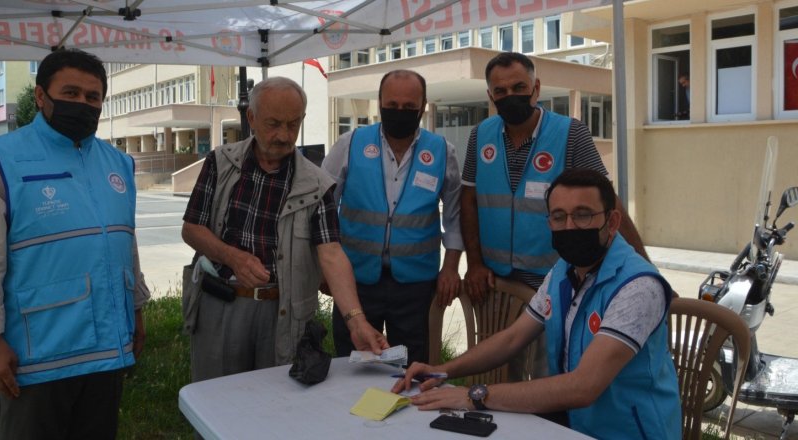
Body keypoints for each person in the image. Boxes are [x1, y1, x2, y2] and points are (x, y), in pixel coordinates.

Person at [0, 49, 149, 439]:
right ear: (41, 96)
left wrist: (136, 308)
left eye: (93, 97)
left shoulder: (118, 163)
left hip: (107, 347)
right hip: (36, 354)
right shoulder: (4, 159)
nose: (83, 104)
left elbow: (126, 243)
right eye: (70, 93)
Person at [394, 168, 681, 439]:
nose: (570, 227)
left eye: (583, 215)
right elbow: (512, 339)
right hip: (572, 427)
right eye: (559, 217)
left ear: (613, 221)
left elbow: (584, 386)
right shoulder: (563, 271)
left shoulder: (639, 286)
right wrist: (443, 370)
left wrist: (475, 395)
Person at [182, 76, 388, 382]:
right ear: (251, 118)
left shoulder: (317, 184)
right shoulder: (221, 163)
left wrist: (357, 321)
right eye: (274, 123)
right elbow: (192, 229)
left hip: (282, 312)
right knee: (217, 400)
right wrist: (232, 257)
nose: (284, 135)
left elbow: (331, 253)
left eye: (293, 124)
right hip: (221, 304)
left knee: (276, 406)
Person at [460, 52, 650, 380]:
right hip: (495, 286)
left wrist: (646, 267)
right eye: (500, 91)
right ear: (490, 96)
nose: (510, 96)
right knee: (495, 379)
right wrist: (473, 263)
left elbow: (608, 201)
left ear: (536, 89)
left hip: (552, 285)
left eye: (519, 87)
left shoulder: (569, 133)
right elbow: (468, 200)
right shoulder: (481, 135)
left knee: (546, 380)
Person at [322, 70, 463, 365]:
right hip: (356, 281)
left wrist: (451, 267)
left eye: (409, 108)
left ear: (423, 107)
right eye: (392, 105)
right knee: (353, 364)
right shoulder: (350, 144)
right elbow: (321, 211)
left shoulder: (441, 152)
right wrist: (324, 270)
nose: (400, 113)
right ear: (379, 102)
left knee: (410, 368)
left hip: (415, 285)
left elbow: (454, 215)